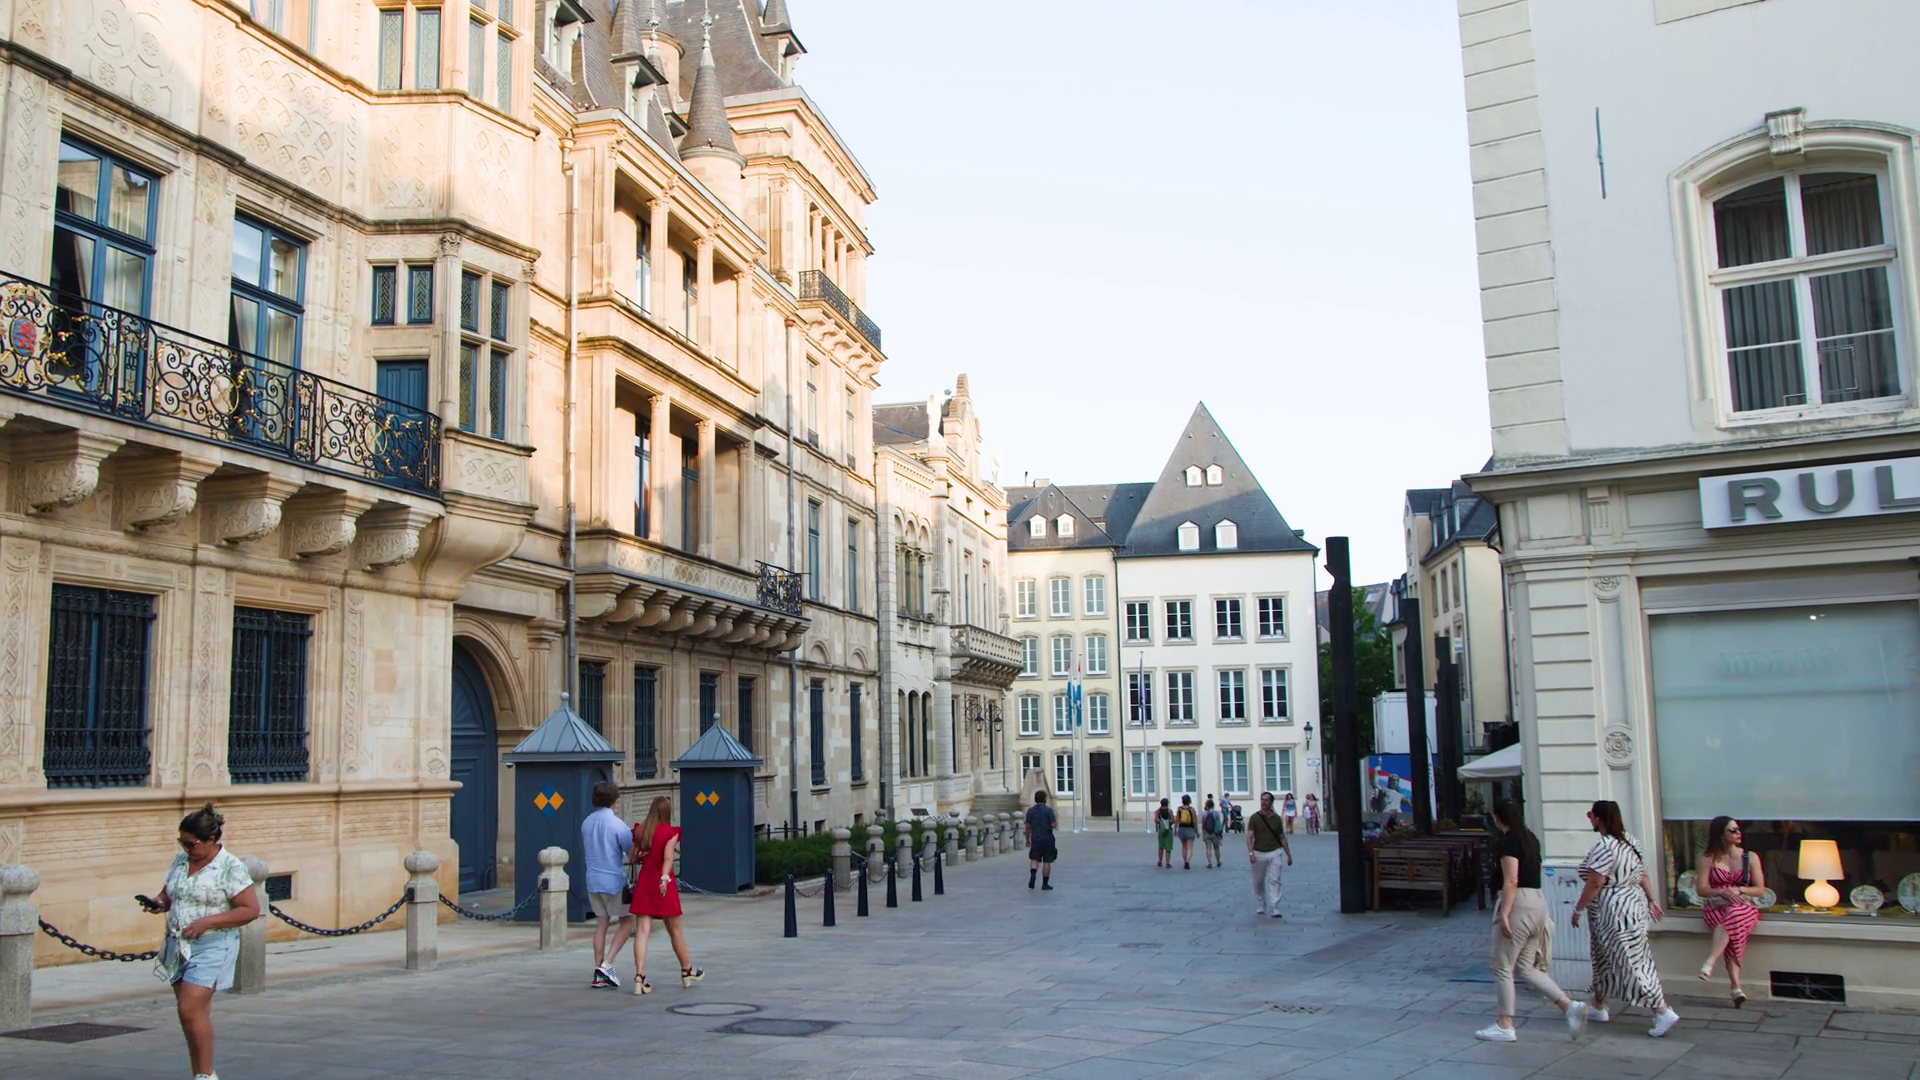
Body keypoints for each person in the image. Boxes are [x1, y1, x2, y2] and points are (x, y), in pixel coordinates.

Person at [148, 803, 260, 1080]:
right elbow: (169, 893)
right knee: (194, 1013)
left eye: (191, 844)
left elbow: (249, 910)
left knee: (189, 1008)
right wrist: (159, 902)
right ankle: (200, 1071)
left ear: (211, 840)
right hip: (178, 946)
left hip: (213, 946)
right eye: (182, 843)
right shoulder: (181, 860)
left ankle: (206, 1075)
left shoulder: (230, 867)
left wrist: (206, 922)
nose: (186, 849)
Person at [1476, 802, 1588, 1043]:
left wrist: (1504, 914)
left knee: (1502, 966)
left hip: (1518, 904)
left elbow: (1511, 880)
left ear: (1498, 818)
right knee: (1527, 968)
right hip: (1537, 902)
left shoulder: (1509, 842)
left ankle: (1504, 1024)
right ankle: (1569, 1006)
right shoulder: (1530, 839)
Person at [1573, 799, 1680, 1037]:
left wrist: (1578, 908)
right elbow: (1643, 874)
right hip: (1632, 904)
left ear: (1599, 818)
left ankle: (1661, 1010)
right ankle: (1598, 1004)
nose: (1589, 818)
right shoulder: (1631, 842)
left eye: (1591, 815)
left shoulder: (1606, 846)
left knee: (1630, 960)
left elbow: (1595, 882)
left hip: (1614, 910)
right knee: (1603, 957)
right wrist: (1651, 899)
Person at [627, 796, 703, 996]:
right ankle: (687, 969)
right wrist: (664, 878)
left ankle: (639, 975)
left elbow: (632, 857)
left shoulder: (641, 830)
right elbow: (668, 858)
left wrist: (642, 855)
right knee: (675, 930)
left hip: (645, 883)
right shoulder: (669, 832)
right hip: (664, 885)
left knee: (642, 930)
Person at [1696, 815, 1765, 1008]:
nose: (1738, 833)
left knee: (1734, 915)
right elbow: (1701, 889)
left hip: (1744, 907)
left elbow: (1760, 889)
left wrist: (1740, 890)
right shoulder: (1708, 858)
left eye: (1738, 829)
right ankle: (1736, 988)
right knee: (1732, 928)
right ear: (1720, 835)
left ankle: (1710, 962)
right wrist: (1722, 892)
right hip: (1717, 907)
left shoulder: (1750, 857)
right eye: (1732, 830)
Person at [581, 781, 634, 988]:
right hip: (613, 881)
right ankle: (607, 964)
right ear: (614, 800)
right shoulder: (618, 825)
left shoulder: (586, 822)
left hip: (593, 880)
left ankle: (598, 970)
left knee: (601, 923)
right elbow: (631, 854)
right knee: (626, 922)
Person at [1247, 791, 1293, 917]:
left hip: (1275, 851)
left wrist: (1288, 854)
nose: (1263, 802)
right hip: (1259, 852)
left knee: (1275, 879)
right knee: (1258, 881)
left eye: (1266, 800)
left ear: (1271, 802)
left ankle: (1275, 907)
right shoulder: (1255, 818)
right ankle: (1261, 903)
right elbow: (1250, 837)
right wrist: (1251, 853)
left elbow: (1282, 837)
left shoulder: (1276, 818)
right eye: (1262, 799)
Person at [1025, 790, 1058, 890]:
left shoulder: (1030, 811)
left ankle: (1033, 874)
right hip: (1047, 838)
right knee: (1047, 861)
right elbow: (1053, 825)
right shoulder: (1049, 810)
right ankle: (1045, 883)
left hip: (1036, 838)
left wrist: (1027, 839)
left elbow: (1028, 827)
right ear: (1045, 799)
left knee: (1034, 859)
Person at [1175, 794, 1200, 869]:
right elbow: (1194, 821)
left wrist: (1175, 829)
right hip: (1190, 829)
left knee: (1183, 847)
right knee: (1189, 847)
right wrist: (1197, 831)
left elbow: (1177, 820)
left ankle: (1184, 860)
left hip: (1182, 828)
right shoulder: (1192, 809)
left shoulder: (1179, 809)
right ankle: (1187, 861)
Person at [1200, 797, 1225, 868]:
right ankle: (1218, 861)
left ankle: (1209, 863)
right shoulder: (1216, 813)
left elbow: (1203, 823)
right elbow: (1218, 823)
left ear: (1206, 806)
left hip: (1207, 832)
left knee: (1208, 848)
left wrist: (1203, 831)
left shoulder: (1204, 813)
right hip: (1215, 832)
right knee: (1216, 848)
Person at [1154, 798, 1175, 868]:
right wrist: (1168, 823)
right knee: (1168, 847)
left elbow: (1156, 821)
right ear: (1167, 804)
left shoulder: (1157, 811)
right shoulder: (1170, 811)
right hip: (1169, 830)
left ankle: (1160, 861)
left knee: (1161, 846)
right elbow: (1173, 820)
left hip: (1161, 830)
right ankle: (1167, 863)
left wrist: (1161, 823)